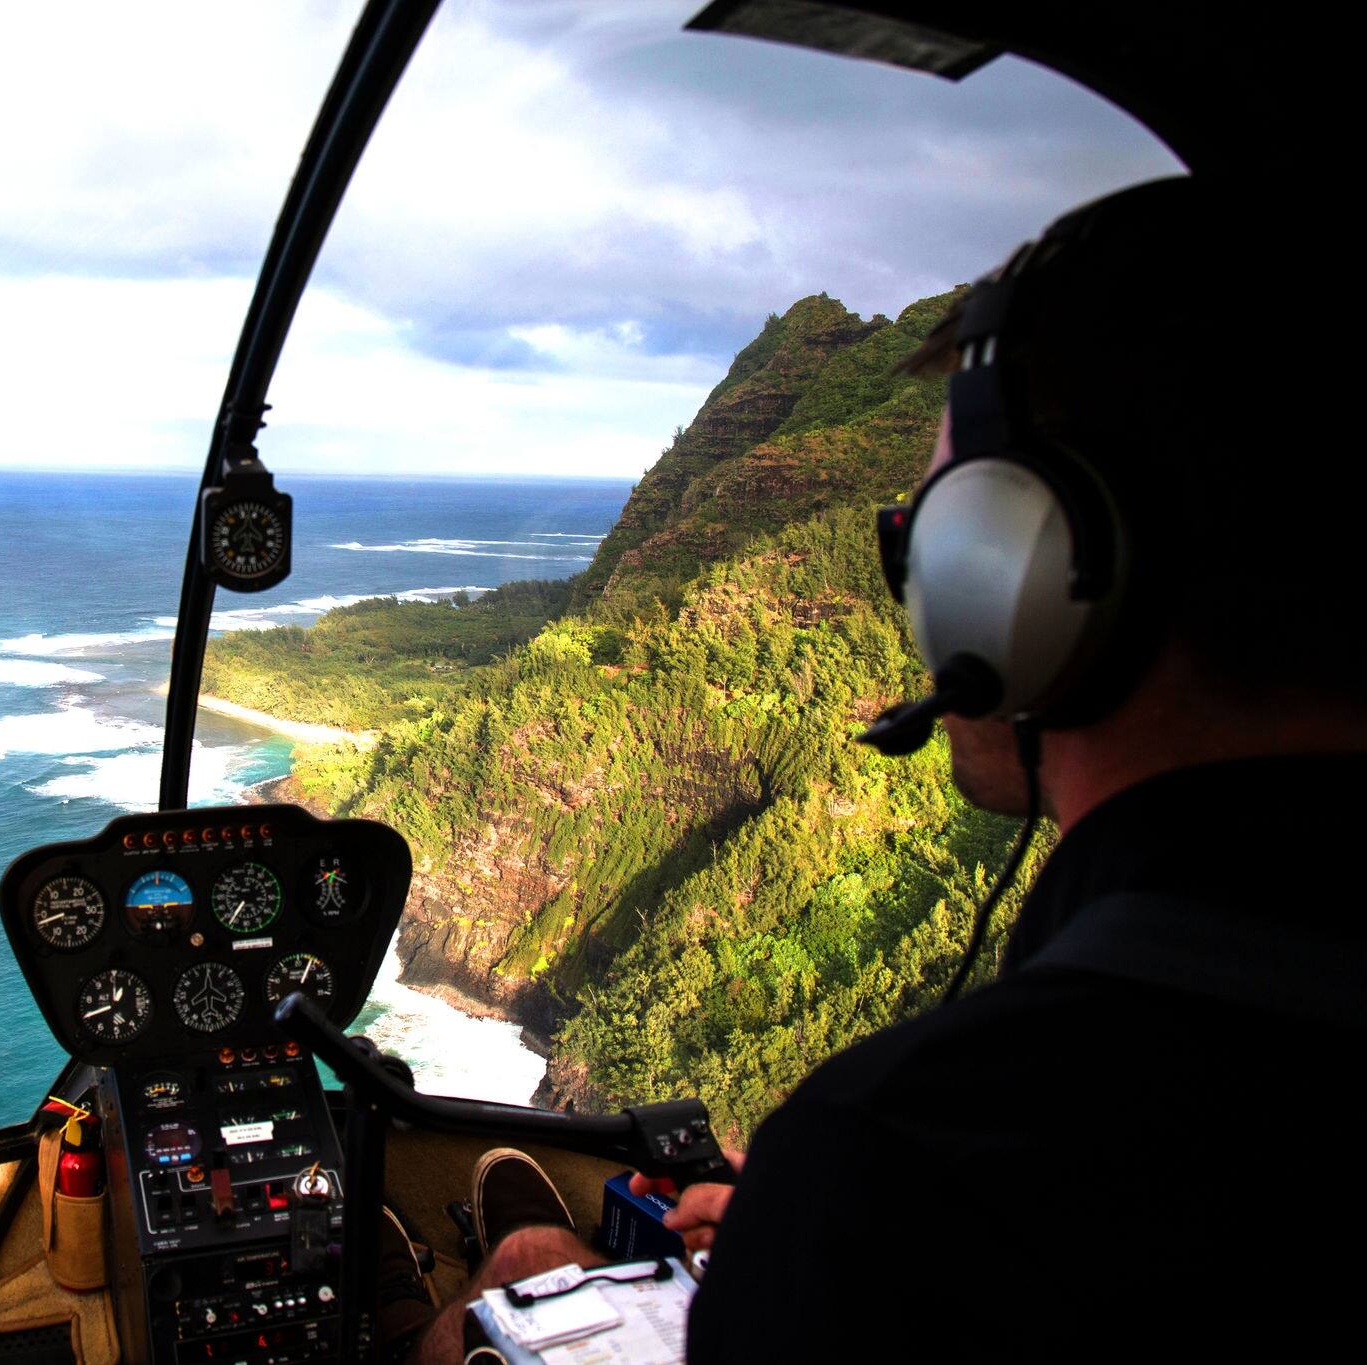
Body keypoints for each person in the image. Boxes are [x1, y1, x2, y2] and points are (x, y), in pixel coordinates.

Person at [392, 177, 1367, 1361]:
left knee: (518, 1274)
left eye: (934, 538)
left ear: (1003, 585)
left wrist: (812, 1232)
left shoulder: (913, 1157)